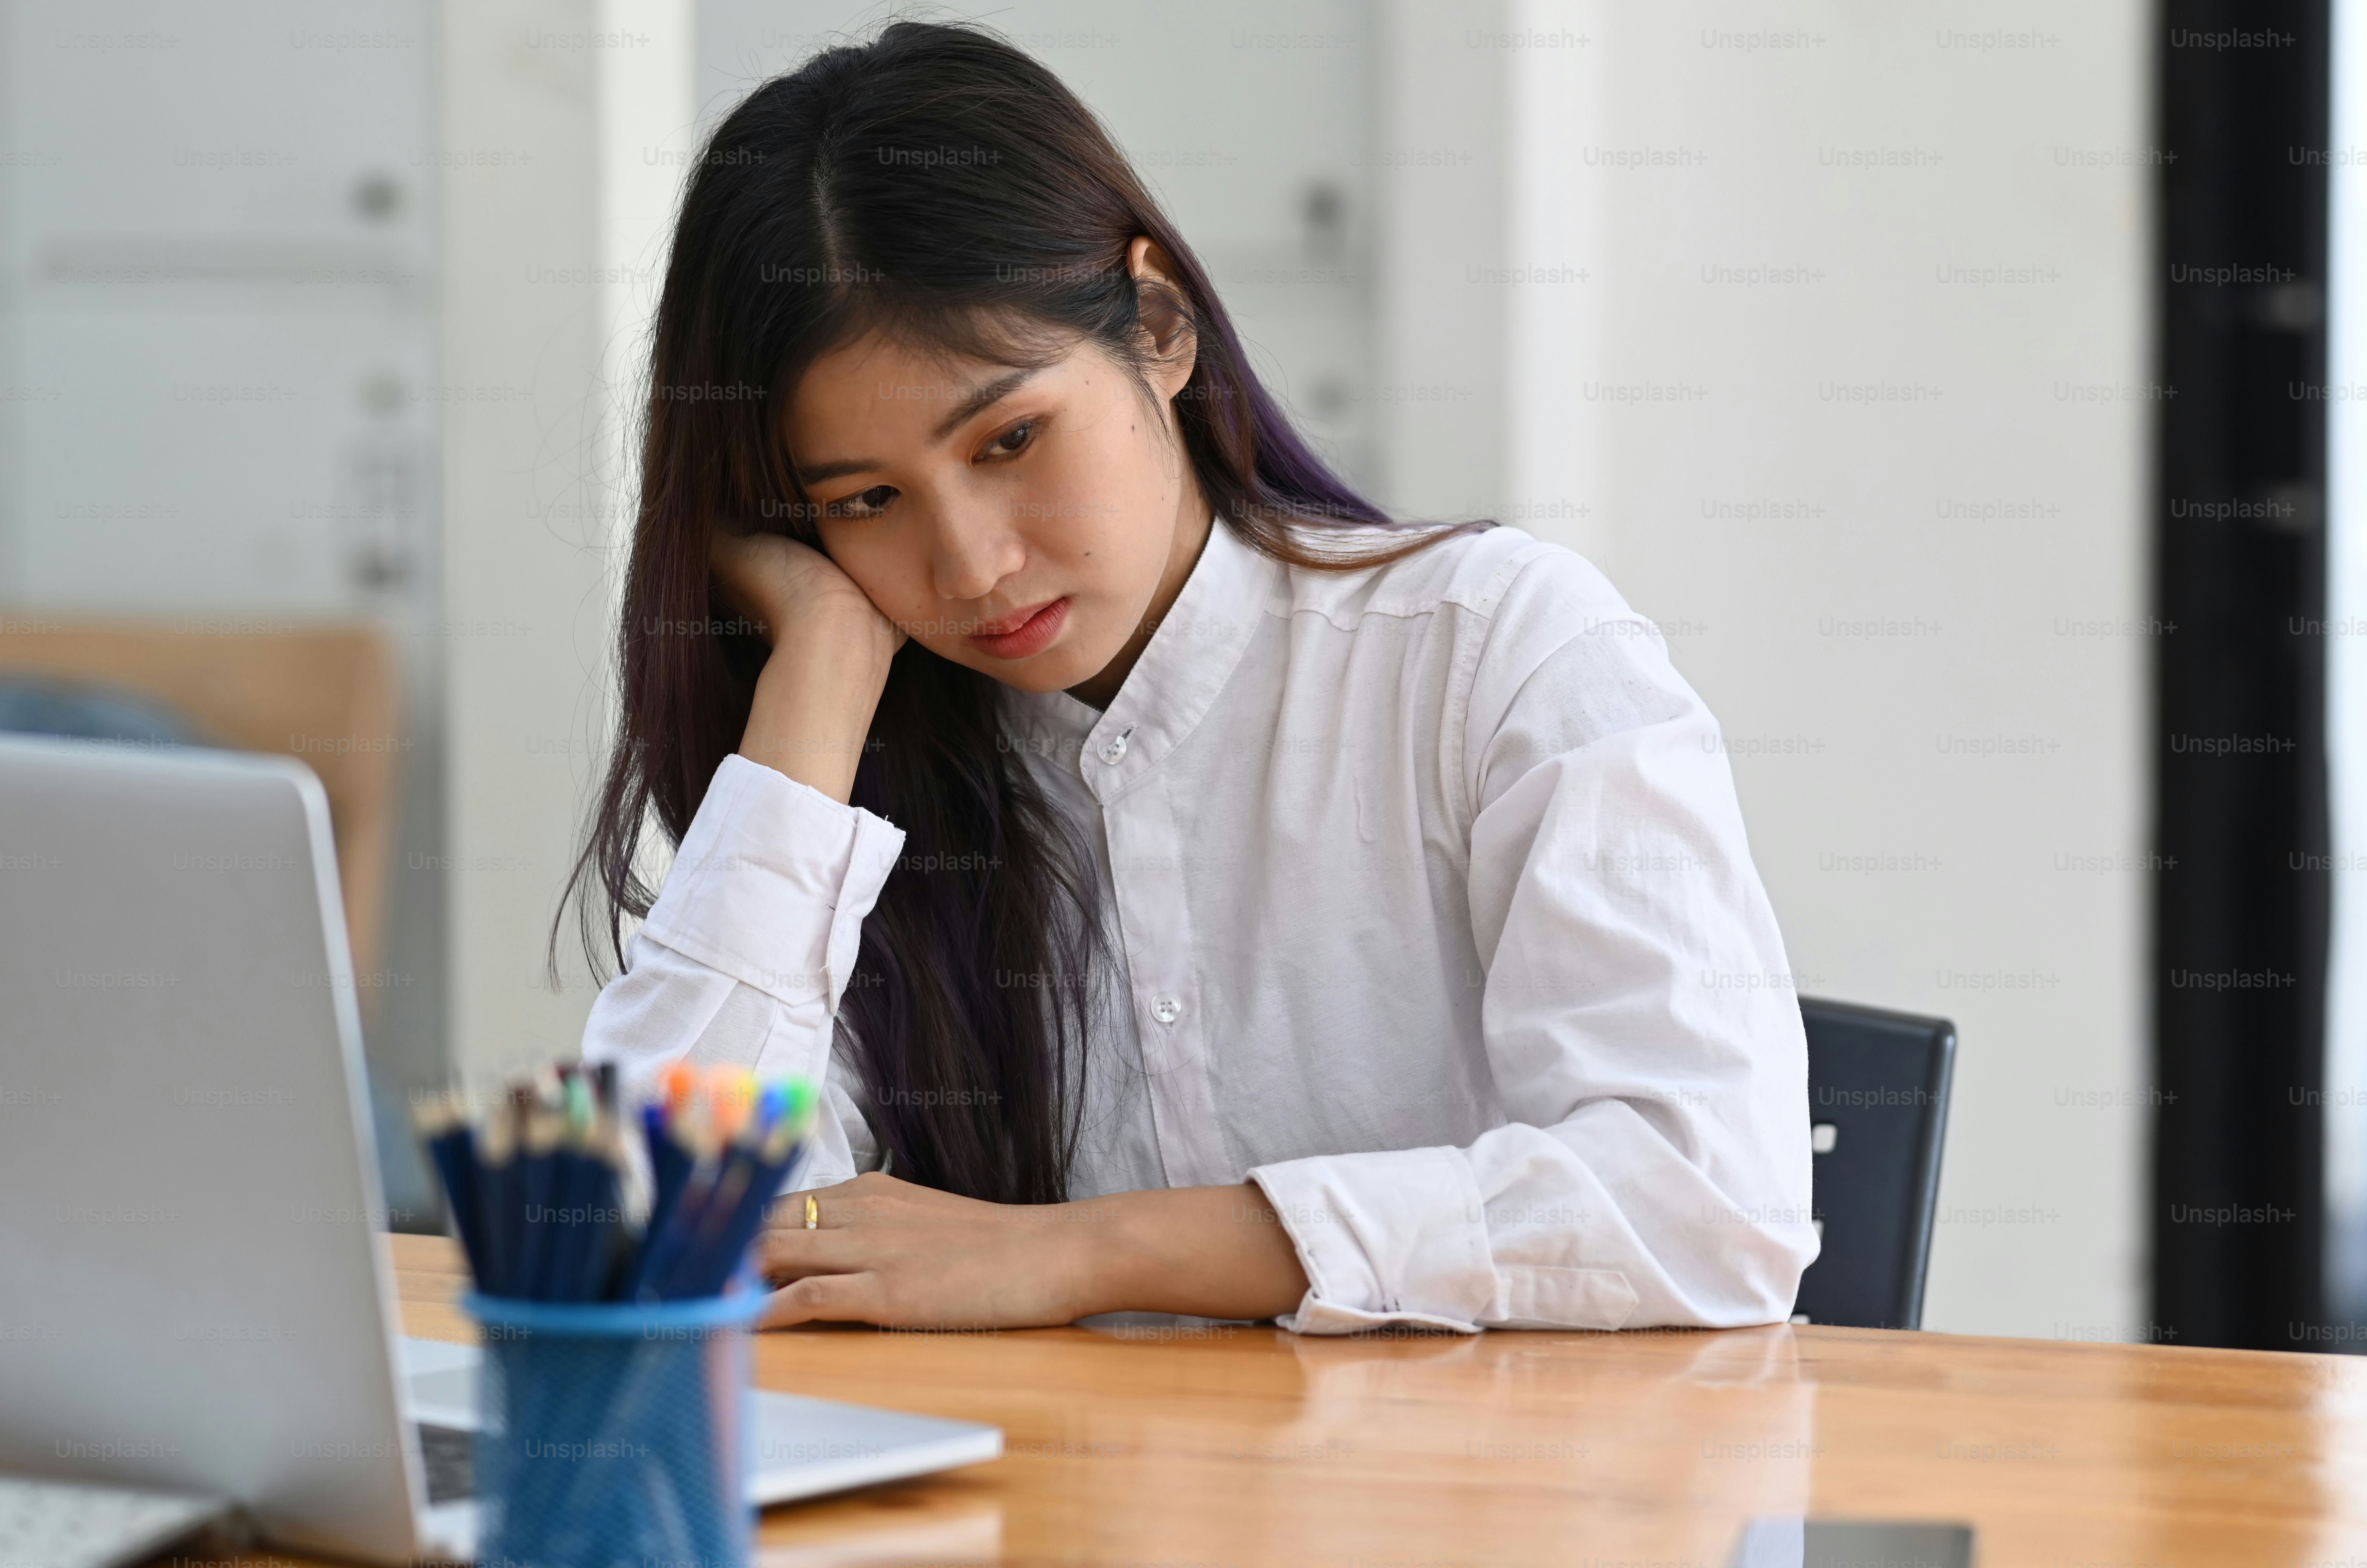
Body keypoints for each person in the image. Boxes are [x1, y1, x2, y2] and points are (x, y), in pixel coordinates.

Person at [571, 20, 1814, 1334]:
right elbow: (643, 1242)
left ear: (1158, 326)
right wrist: (812, 690)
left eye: (1008, 439)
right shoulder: (860, 770)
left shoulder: (1492, 654)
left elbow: (1706, 1204)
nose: (972, 565)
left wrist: (1086, 1254)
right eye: (867, 498)